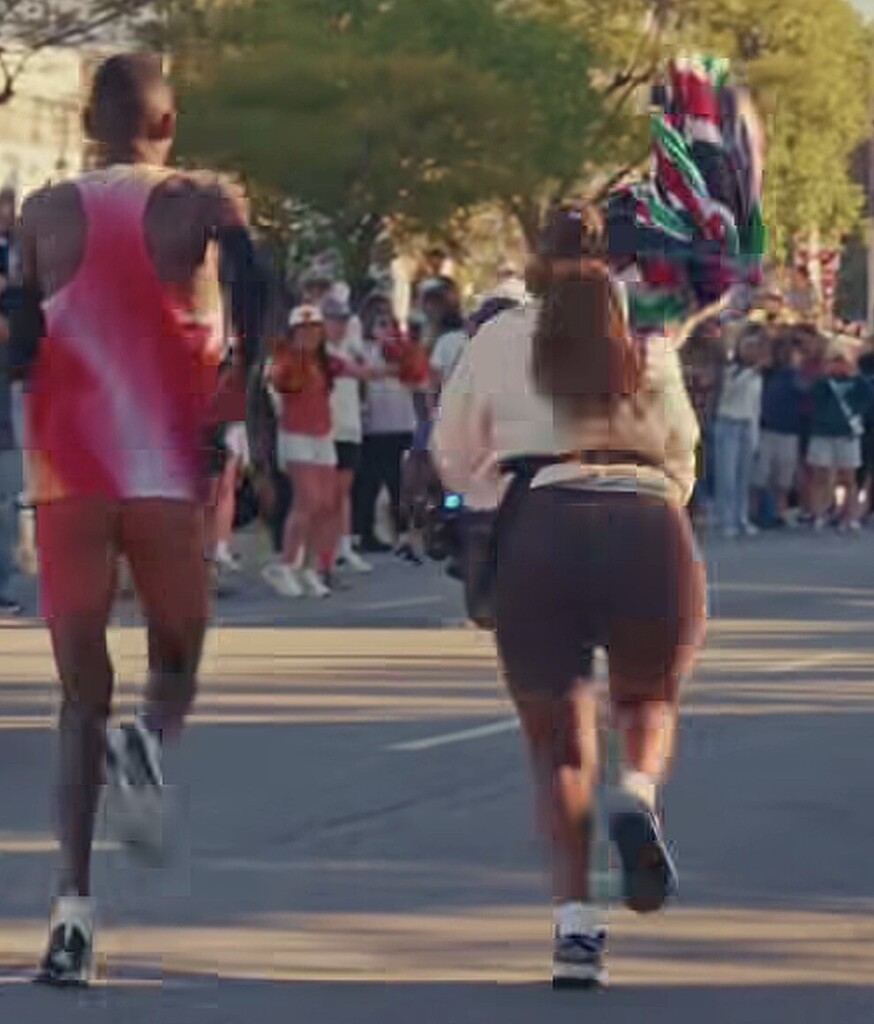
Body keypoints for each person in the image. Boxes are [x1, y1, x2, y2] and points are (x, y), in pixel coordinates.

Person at [13, 53, 263, 986]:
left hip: (67, 478)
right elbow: (260, 300)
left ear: (89, 125)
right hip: (166, 471)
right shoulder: (205, 200)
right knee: (179, 655)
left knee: (80, 699)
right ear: (169, 123)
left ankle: (72, 917)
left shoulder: (42, 212)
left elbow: (18, 336)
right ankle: (151, 737)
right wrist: (244, 403)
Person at [432, 203, 705, 988]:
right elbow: (683, 449)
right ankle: (636, 793)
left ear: (536, 259)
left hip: (543, 521)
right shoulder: (647, 337)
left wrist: (489, 495)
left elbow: (453, 452)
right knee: (647, 699)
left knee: (557, 744)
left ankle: (576, 929)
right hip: (647, 517)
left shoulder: (498, 336)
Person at [355, 302, 417, 553]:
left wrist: (391, 365)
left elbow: (414, 373)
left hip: (401, 424)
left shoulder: (404, 349)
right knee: (369, 482)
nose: (386, 329)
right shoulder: (362, 349)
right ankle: (365, 533)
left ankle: (403, 532)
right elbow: (361, 373)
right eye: (380, 324)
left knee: (398, 482)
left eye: (390, 324)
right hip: (373, 426)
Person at [323, 294, 374, 574]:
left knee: (343, 492)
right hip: (325, 430)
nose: (339, 326)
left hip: (350, 427)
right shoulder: (318, 352)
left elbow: (367, 374)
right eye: (334, 320)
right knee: (326, 494)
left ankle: (344, 547)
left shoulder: (351, 347)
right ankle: (324, 551)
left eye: (343, 320)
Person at [807, 343, 874, 532]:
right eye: (834, 361)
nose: (838, 365)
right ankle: (819, 513)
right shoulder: (822, 383)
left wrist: (856, 412)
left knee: (849, 477)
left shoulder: (859, 383)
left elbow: (868, 400)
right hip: (823, 432)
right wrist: (825, 376)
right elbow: (814, 397)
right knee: (820, 475)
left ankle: (849, 515)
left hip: (848, 434)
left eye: (841, 361)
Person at [713, 326, 764, 538]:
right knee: (727, 476)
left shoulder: (757, 376)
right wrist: (750, 372)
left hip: (747, 424)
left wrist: (755, 435)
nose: (752, 352)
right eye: (748, 347)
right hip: (728, 423)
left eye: (755, 348)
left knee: (744, 476)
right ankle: (726, 519)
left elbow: (755, 406)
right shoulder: (732, 370)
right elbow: (730, 392)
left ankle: (741, 518)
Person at [752, 329, 803, 527]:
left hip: (789, 431)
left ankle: (780, 512)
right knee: (760, 476)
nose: (784, 354)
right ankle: (756, 513)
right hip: (766, 429)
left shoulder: (795, 375)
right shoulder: (765, 372)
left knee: (783, 478)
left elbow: (804, 390)